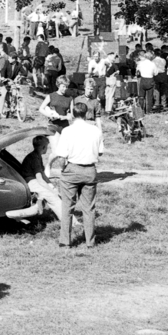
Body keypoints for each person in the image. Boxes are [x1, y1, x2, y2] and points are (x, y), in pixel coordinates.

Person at [56, 100, 105, 249]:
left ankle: (65, 241)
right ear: (86, 114)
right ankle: (90, 241)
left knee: (67, 207)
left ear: (72, 114)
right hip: (89, 170)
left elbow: (61, 156)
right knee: (89, 208)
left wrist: (63, 169)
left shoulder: (67, 131)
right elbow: (100, 152)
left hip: (71, 169)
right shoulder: (96, 130)